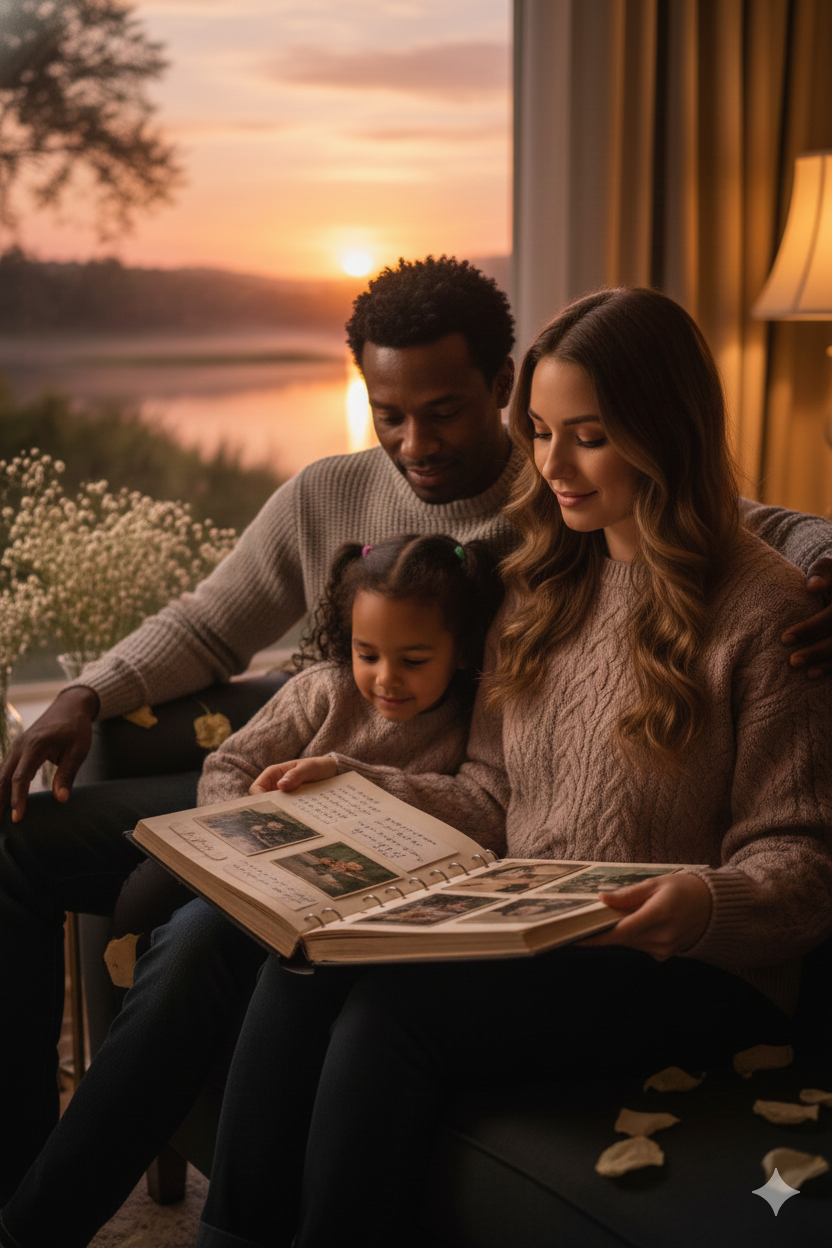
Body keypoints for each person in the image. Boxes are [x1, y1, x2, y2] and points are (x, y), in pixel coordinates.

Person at [0, 258, 829, 1206]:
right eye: (547, 437)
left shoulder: (760, 608)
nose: (551, 466)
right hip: (501, 897)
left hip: (679, 959)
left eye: (588, 438)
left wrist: (706, 898)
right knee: (297, 957)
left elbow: (799, 857)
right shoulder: (539, 580)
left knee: (378, 1010)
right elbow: (481, 786)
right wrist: (346, 781)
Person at [0, 531, 503, 1248]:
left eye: (414, 660)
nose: (386, 678)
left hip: (374, 909)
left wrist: (353, 777)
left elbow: (485, 807)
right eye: (368, 654)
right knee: (192, 938)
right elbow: (229, 765)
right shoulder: (322, 691)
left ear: (463, 649)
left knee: (202, 945)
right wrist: (245, 836)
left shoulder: (474, 715)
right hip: (262, 886)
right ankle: (34, 1224)